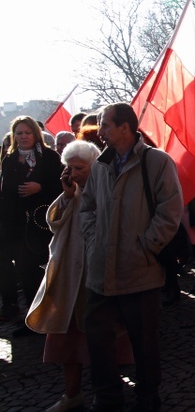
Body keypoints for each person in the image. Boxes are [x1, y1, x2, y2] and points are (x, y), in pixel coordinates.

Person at [80, 102, 183, 411]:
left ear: (124, 127)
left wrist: (146, 247)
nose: (100, 131)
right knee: (97, 337)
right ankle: (107, 396)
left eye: (105, 124)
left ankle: (148, 397)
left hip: (140, 271)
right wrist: (93, 239)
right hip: (101, 273)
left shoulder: (157, 162)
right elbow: (87, 207)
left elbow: (170, 210)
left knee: (144, 341)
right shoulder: (100, 165)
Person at [26, 141, 134, 412]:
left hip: (98, 276)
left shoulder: (106, 189)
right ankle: (72, 394)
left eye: (79, 168)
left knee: (106, 339)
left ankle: (109, 391)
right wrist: (66, 195)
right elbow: (54, 223)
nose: (73, 173)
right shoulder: (70, 192)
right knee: (67, 341)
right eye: (69, 168)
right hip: (69, 277)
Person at [0, 116, 64, 337]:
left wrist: (40, 187)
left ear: (35, 134)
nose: (23, 136)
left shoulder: (49, 157)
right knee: (26, 273)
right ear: (14, 136)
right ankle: (34, 318)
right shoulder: (9, 160)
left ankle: (56, 316)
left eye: (27, 132)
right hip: (17, 227)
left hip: (43, 224)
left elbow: (62, 188)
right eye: (19, 133)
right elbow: (6, 193)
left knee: (49, 271)